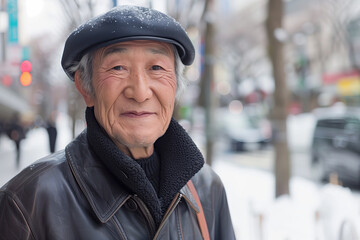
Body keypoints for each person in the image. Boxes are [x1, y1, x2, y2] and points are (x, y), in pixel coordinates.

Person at [0, 6, 235, 240]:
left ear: (175, 84)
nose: (140, 92)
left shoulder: (206, 189)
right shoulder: (28, 203)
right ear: (85, 86)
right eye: (118, 68)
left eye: (156, 68)